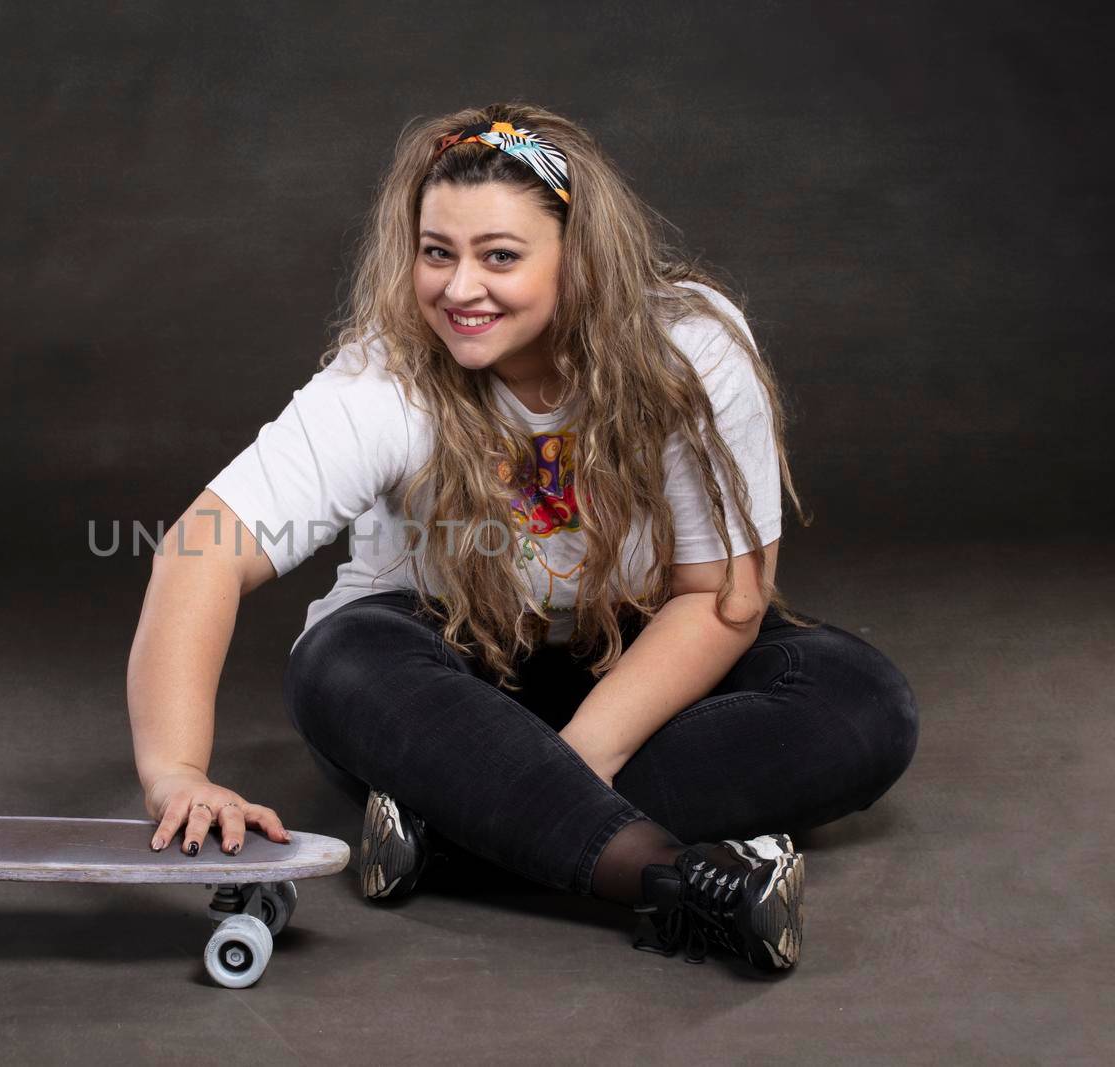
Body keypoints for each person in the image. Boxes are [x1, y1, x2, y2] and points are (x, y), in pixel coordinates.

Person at [126, 102, 919, 974]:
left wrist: (553, 771)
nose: (460, 289)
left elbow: (717, 597)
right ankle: (678, 879)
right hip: (449, 681)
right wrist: (176, 773)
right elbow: (200, 548)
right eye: (438, 253)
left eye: (499, 256)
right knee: (339, 662)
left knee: (859, 700)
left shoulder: (690, 347)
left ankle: (448, 830)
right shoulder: (386, 374)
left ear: (579, 259)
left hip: (637, 665)